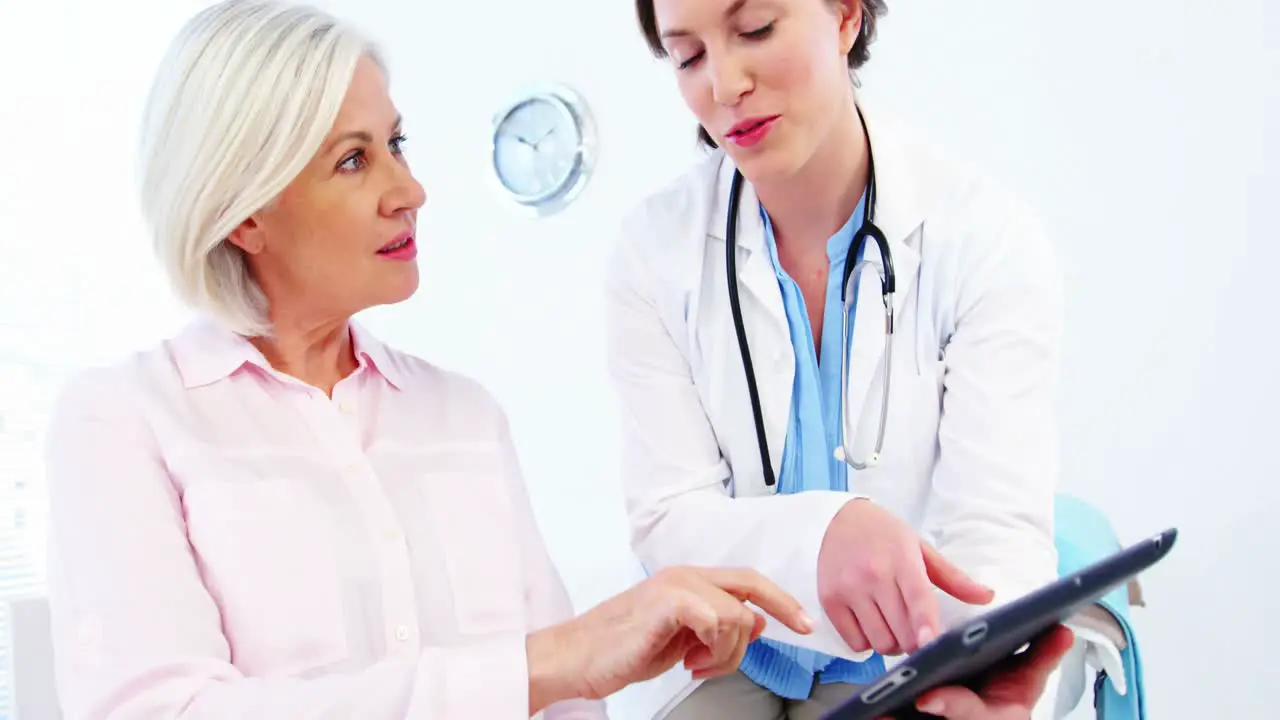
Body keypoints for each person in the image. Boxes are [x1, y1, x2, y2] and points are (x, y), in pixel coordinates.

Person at [41, 2, 819, 718]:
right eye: (353, 161)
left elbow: (570, 701)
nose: (409, 190)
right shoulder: (124, 420)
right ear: (245, 211)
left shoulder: (463, 416)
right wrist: (540, 666)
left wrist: (573, 668)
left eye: (396, 144)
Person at [604, 0, 1071, 717]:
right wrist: (823, 535)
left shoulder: (984, 239)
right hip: (734, 655)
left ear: (847, 16)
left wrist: (975, 677)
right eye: (688, 56)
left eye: (755, 30)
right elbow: (668, 516)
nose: (724, 86)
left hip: (914, 660)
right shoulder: (653, 250)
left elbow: (995, 531)